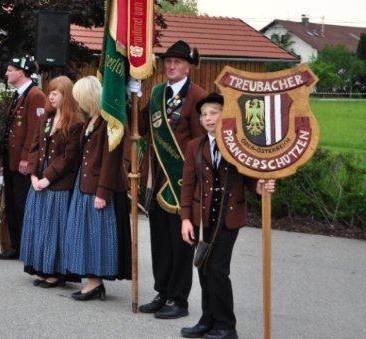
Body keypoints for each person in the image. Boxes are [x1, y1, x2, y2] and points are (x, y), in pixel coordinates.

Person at [179, 93, 276, 339]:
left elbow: (252, 175)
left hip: (229, 217)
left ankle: (226, 325)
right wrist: (185, 219)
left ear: (225, 115)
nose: (209, 118)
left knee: (217, 270)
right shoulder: (195, 146)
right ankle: (207, 319)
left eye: (214, 112)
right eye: (205, 115)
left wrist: (261, 185)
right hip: (202, 219)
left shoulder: (240, 144)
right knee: (202, 268)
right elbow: (188, 185)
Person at [134, 40, 207, 319]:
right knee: (160, 242)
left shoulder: (198, 96)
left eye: (177, 62)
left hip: (181, 183)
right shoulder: (155, 94)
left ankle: (179, 299)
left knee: (181, 244)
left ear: (189, 66)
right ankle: (162, 291)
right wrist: (134, 100)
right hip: (157, 179)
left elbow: (201, 144)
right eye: (168, 62)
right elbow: (140, 128)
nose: (172, 66)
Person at [64, 76, 129, 300]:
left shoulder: (108, 121)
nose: (77, 103)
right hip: (85, 184)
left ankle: (95, 283)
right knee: (85, 235)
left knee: (97, 237)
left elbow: (112, 159)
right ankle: (93, 282)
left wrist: (103, 192)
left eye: (79, 98)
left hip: (99, 188)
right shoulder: (92, 119)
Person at [19, 75, 83, 286]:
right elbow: (34, 146)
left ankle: (55, 271)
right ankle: (41, 266)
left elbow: (69, 158)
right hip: (41, 176)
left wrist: (47, 178)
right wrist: (33, 173)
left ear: (66, 96)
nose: (51, 97)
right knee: (39, 224)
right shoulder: (46, 117)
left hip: (58, 181)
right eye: (50, 93)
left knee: (55, 227)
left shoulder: (75, 122)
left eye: (55, 93)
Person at [0, 55, 46, 260]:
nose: (7, 73)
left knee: (21, 204)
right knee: (12, 203)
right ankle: (16, 246)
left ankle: (26, 247)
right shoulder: (19, 95)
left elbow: (35, 130)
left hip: (23, 161)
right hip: (12, 159)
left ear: (22, 71)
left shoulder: (35, 95)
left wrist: (27, 157)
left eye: (10, 70)